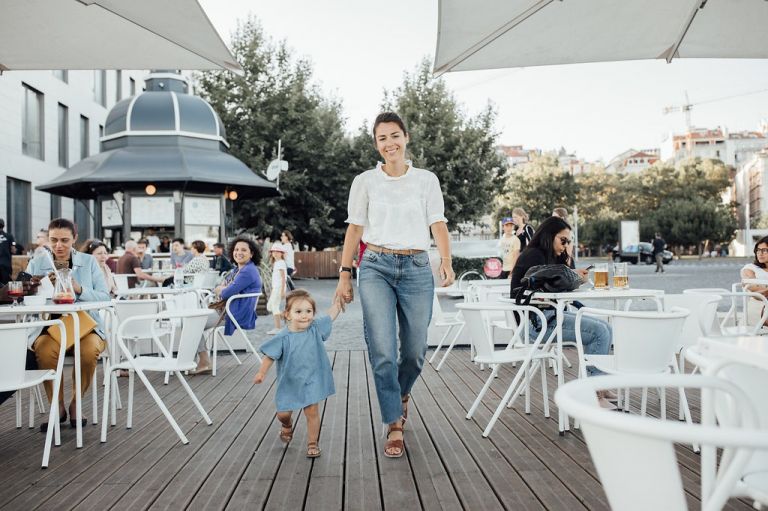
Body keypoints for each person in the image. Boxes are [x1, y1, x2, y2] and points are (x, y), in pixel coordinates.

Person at [335, 112, 455, 458]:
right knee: (384, 351)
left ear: (407, 137)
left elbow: (438, 224)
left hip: (417, 267)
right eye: (382, 138)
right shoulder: (365, 182)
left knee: (415, 352)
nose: (390, 144)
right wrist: (345, 273)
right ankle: (394, 422)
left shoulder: (426, 180)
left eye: (395, 136)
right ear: (376, 144)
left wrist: (445, 262)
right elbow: (354, 230)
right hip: (375, 266)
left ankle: (400, 393)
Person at [510, 216, 615, 409]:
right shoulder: (534, 255)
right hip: (537, 324)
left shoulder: (548, 255)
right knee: (599, 332)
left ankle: (599, 385)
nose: (565, 245)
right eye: (563, 240)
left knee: (606, 327)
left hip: (549, 317)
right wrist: (573, 277)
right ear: (549, 236)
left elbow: (557, 288)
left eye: (568, 241)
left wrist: (569, 263)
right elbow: (549, 290)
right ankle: (593, 393)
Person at [26, 218, 111, 431]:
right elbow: (25, 299)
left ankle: (76, 403)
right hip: (51, 325)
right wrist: (34, 289)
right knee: (44, 351)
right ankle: (57, 406)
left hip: (86, 325)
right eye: (54, 240)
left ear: (75, 238)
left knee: (89, 350)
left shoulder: (89, 262)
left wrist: (78, 288)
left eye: (65, 240)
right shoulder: (38, 262)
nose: (58, 246)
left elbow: (104, 296)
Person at [254, 289, 342, 458]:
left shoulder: (315, 329)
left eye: (309, 311)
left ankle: (312, 443)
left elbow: (330, 316)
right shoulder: (283, 337)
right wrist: (261, 373)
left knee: (312, 412)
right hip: (289, 382)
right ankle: (287, 424)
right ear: (287, 315)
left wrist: (337, 303)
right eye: (299, 311)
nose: (304, 316)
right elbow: (269, 356)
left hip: (312, 379)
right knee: (283, 414)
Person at [190, 236, 262, 374]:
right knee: (193, 321)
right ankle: (199, 360)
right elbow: (222, 285)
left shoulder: (248, 271)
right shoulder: (238, 269)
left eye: (243, 250)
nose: (238, 252)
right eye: (236, 249)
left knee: (193, 323)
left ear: (251, 253)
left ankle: (203, 361)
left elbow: (225, 291)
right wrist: (222, 288)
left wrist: (222, 289)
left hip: (233, 313)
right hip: (228, 309)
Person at [740, 236, 768, 324]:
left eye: (764, 250)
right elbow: (757, 291)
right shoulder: (749, 268)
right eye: (758, 250)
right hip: (758, 306)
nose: (760, 253)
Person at [267, 245, 288, 335]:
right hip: (275, 288)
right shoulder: (277, 263)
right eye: (273, 252)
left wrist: (283, 291)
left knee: (275, 307)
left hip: (279, 288)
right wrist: (272, 289)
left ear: (281, 254)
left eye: (277, 252)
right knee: (270, 306)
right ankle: (286, 316)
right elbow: (275, 278)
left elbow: (283, 278)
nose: (275, 253)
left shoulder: (281, 263)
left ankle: (278, 328)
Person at [0, 218, 17, 285]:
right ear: (3, 226)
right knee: (6, 286)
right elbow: (13, 250)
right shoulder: (9, 236)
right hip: (6, 264)